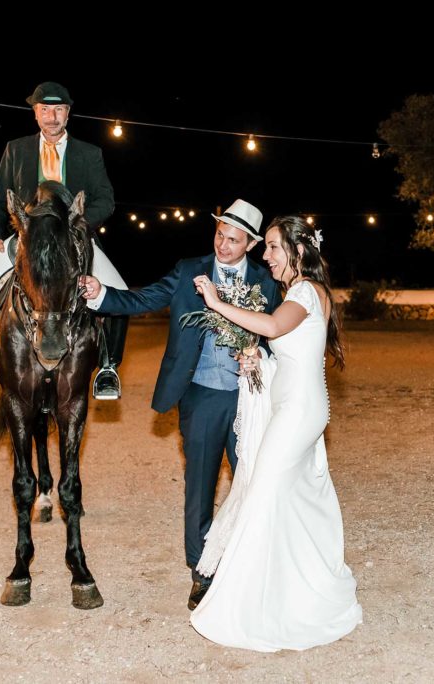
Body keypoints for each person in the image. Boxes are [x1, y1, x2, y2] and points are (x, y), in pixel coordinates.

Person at [79, 199, 282, 610]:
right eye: (219, 235)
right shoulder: (190, 269)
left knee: (254, 484)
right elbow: (143, 300)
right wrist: (102, 295)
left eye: (233, 239)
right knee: (200, 486)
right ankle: (201, 572)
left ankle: (248, 565)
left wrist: (263, 357)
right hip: (201, 395)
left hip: (251, 398)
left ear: (250, 244)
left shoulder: (267, 281)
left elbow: (280, 334)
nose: (223, 245)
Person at [187, 215, 361, 652]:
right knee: (283, 496)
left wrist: (216, 301)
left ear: (298, 252)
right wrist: (259, 365)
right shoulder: (299, 292)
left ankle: (258, 604)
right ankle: (292, 585)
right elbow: (289, 358)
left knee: (261, 492)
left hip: (300, 413)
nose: (265, 255)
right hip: (295, 406)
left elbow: (271, 327)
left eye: (273, 247)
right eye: (265, 247)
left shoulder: (305, 291)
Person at [0, 81, 129, 400]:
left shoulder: (89, 153)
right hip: (27, 240)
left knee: (121, 293)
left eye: (58, 110)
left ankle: (108, 368)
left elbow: (106, 200)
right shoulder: (16, 150)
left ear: (68, 114)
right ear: (35, 113)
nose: (52, 116)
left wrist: (78, 226)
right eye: (45, 110)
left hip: (75, 241)